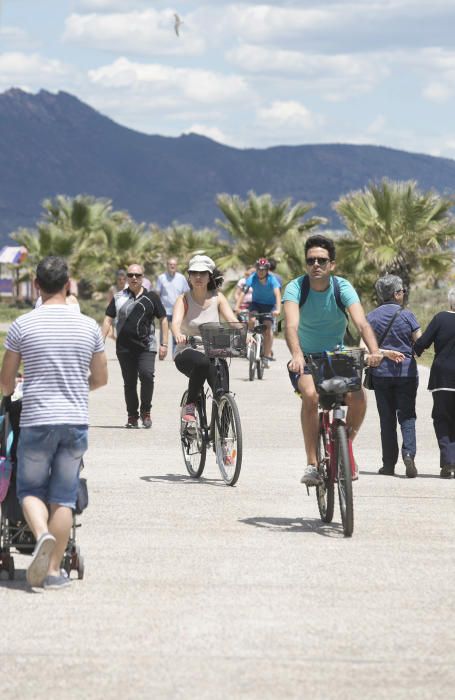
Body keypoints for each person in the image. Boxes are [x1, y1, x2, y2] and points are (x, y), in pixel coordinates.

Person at [0, 256, 107, 590]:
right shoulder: (89, 326)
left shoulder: (22, 325)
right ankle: (52, 573)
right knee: (64, 496)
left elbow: (5, 384)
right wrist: (77, 385)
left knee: (29, 489)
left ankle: (41, 533)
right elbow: (100, 379)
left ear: (36, 286)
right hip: (75, 421)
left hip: (36, 420)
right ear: (68, 284)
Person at [283, 234, 383, 486]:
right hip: (305, 358)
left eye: (322, 260)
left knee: (359, 398)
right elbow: (291, 326)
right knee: (311, 396)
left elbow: (361, 322)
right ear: (306, 264)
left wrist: (375, 351)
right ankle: (312, 464)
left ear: (332, 265)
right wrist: (296, 355)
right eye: (311, 260)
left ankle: (345, 445)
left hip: (335, 358)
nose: (316, 264)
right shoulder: (296, 287)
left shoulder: (342, 287)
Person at [172, 254, 240, 422]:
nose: (198, 277)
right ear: (189, 276)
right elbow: (175, 323)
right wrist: (179, 335)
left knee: (222, 392)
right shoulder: (183, 299)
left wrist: (246, 335)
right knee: (201, 362)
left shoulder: (218, 297)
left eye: (202, 273)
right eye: (194, 273)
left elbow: (232, 321)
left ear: (210, 276)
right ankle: (190, 405)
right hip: (187, 350)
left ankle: (222, 435)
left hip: (214, 349)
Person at [102, 263, 168, 429]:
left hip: (146, 346)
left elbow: (163, 319)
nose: (133, 278)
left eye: (137, 275)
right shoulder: (118, 297)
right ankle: (132, 415)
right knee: (129, 383)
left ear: (142, 278)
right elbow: (108, 319)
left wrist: (164, 344)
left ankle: (146, 412)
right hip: (124, 348)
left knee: (146, 376)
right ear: (126, 278)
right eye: (130, 275)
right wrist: (100, 341)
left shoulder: (151, 297)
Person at [366, 275, 421, 477]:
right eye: (402, 292)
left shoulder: (370, 317)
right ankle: (409, 454)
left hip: (381, 374)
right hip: (406, 374)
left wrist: (383, 352)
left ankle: (388, 464)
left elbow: (364, 348)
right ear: (396, 294)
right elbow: (420, 342)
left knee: (386, 419)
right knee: (407, 416)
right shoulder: (407, 316)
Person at [414, 287, 455, 478]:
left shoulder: (440, 318)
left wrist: (415, 350)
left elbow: (423, 343)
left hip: (443, 378)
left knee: (442, 418)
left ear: (450, 302)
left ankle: (448, 461)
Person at [234, 258, 281, 363]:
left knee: (268, 327)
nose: (261, 271)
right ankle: (250, 341)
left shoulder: (272, 279)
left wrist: (278, 309)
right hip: (256, 304)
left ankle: (266, 355)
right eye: (259, 269)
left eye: (263, 269)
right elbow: (243, 292)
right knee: (251, 320)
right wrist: (237, 307)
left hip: (269, 306)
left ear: (267, 270)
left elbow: (277, 294)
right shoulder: (252, 277)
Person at [156, 257, 189, 352]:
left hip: (178, 310)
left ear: (176, 266)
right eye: (170, 264)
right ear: (167, 266)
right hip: (164, 309)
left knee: (177, 330)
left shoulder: (181, 278)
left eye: (174, 264)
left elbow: (186, 293)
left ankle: (175, 353)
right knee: (163, 331)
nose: (172, 266)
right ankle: (163, 350)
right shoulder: (161, 278)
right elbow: (157, 294)